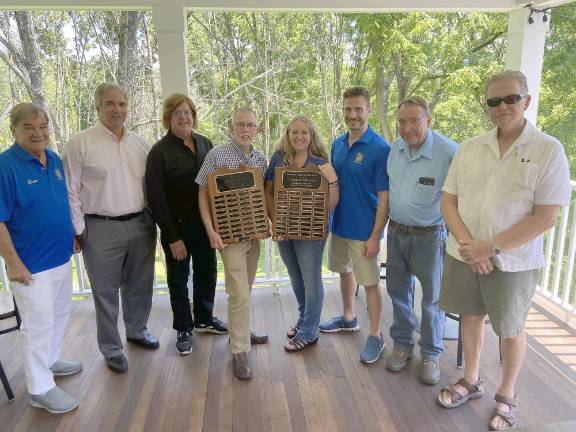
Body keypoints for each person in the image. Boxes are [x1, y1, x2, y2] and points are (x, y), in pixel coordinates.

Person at [437, 70, 571, 431]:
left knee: (510, 327)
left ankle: (507, 394)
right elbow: (448, 202)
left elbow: (546, 218)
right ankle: (471, 378)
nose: (502, 107)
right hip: (463, 254)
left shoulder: (548, 150)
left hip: (513, 262)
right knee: (469, 316)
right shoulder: (469, 148)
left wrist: (490, 249)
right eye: (494, 101)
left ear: (526, 101)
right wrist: (471, 247)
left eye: (510, 99)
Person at [63, 82, 158, 374]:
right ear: (98, 107)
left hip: (141, 223)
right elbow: (70, 190)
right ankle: (111, 348)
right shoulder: (80, 143)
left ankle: (137, 330)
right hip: (100, 227)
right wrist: (78, 230)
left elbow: (151, 185)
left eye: (122, 104)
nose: (118, 109)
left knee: (141, 284)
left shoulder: (140, 143)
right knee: (104, 292)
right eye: (110, 104)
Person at [0, 103, 82, 413]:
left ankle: (50, 360)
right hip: (30, 265)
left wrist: (73, 234)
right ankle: (39, 388)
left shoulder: (55, 160)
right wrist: (13, 262)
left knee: (59, 314)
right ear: (14, 131)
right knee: (36, 326)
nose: (38, 133)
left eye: (43, 126)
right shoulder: (5, 167)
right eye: (29, 128)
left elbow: (59, 202)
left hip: (60, 255)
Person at [145, 94, 227, 356]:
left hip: (205, 224)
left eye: (187, 112)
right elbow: (156, 200)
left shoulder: (205, 144)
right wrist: (172, 237)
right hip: (177, 228)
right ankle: (183, 327)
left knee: (207, 271)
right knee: (178, 280)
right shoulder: (159, 153)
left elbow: (215, 184)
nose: (183, 117)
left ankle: (204, 318)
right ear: (168, 117)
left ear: (194, 116)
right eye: (177, 113)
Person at [384, 96, 457, 384]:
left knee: (432, 299)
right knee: (398, 292)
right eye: (402, 121)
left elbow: (460, 198)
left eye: (414, 120)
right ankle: (402, 345)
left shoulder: (449, 151)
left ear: (429, 120)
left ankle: (431, 353)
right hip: (397, 232)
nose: (407, 127)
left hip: (429, 235)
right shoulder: (396, 147)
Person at [319, 87, 391, 364]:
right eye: (348, 109)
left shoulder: (379, 148)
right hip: (339, 224)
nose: (353, 115)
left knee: (371, 283)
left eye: (358, 109)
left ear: (368, 111)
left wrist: (375, 235)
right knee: (344, 272)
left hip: (364, 231)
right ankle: (349, 318)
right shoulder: (337, 144)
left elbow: (385, 198)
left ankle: (375, 335)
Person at [196, 107, 269, 380]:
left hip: (254, 235)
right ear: (231, 127)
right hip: (229, 238)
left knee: (244, 291)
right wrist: (210, 231)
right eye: (241, 124)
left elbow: (264, 195)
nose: (246, 129)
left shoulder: (260, 159)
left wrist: (269, 222)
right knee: (238, 293)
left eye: (251, 125)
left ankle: (241, 332)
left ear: (257, 129)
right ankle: (240, 351)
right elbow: (202, 193)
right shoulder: (216, 156)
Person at [264, 116, 339, 352]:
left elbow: (330, 203)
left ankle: (309, 332)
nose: (299, 137)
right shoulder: (278, 159)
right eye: (294, 132)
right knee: (296, 277)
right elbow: (268, 191)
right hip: (284, 230)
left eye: (304, 132)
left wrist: (333, 181)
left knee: (311, 279)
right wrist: (275, 221)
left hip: (311, 231)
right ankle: (304, 318)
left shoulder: (320, 163)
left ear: (311, 135)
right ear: (287, 135)